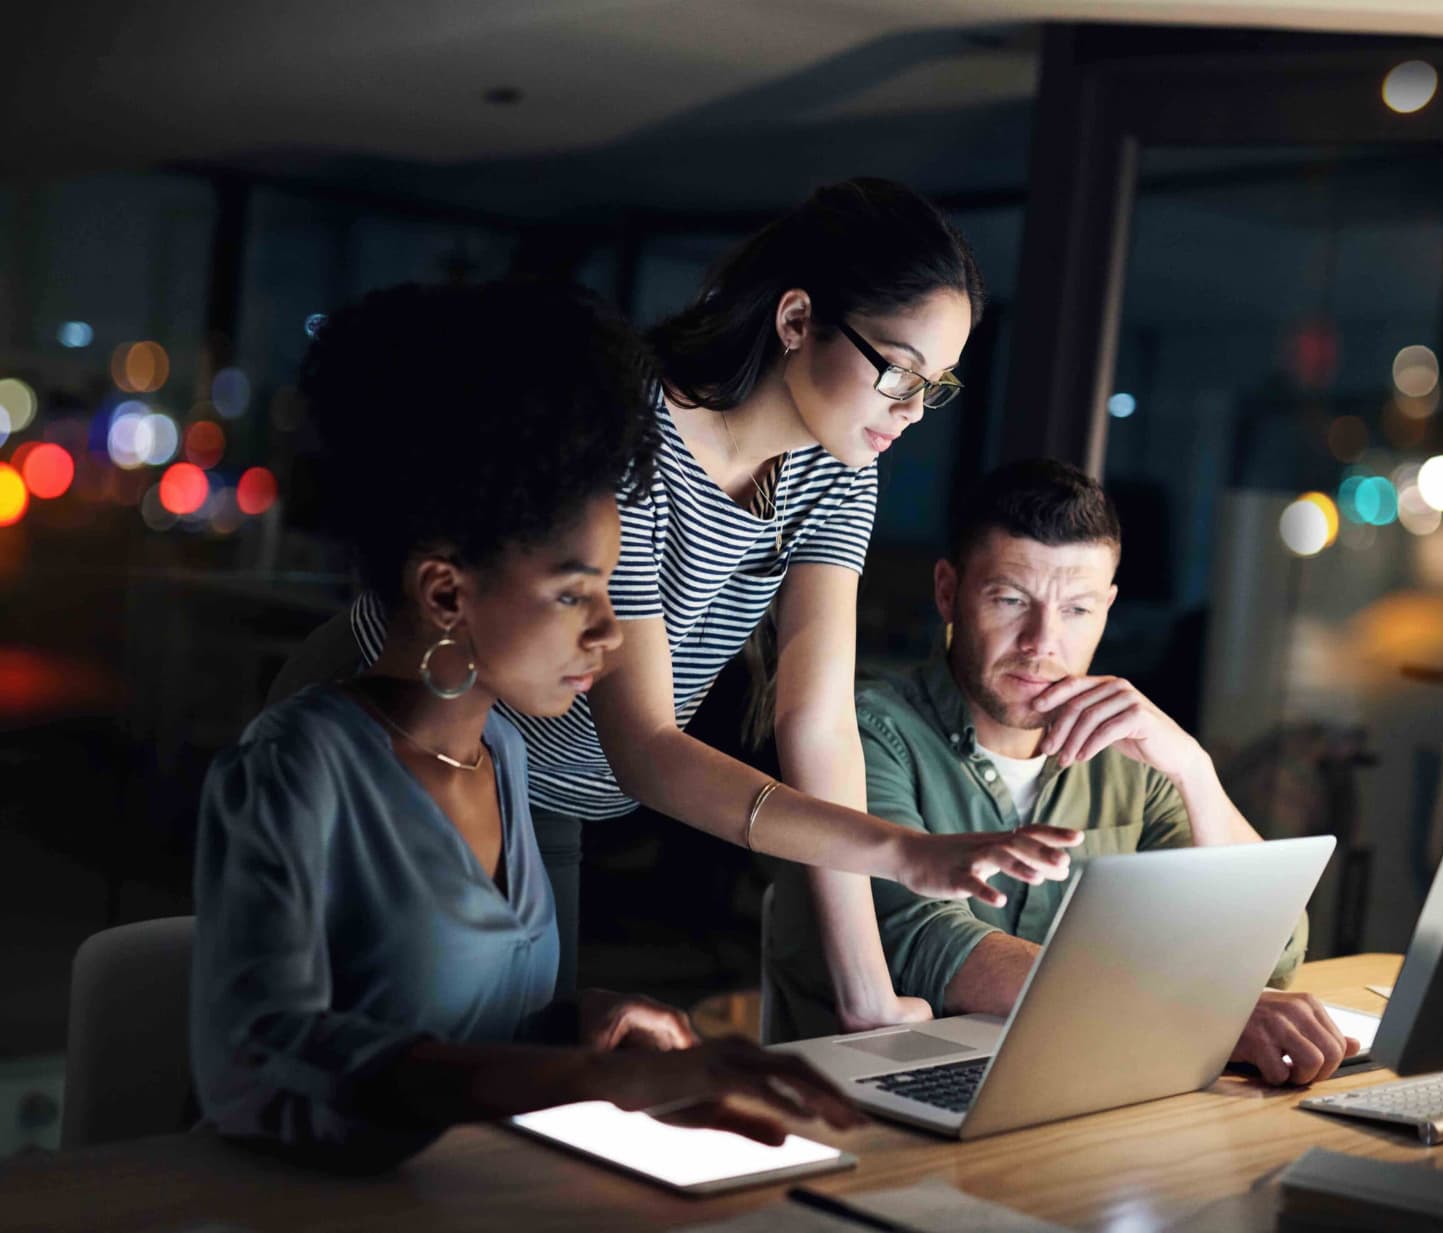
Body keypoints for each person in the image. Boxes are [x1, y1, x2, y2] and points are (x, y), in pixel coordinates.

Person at [338, 180, 1078, 1029]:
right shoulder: (629, 431)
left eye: (935, 385)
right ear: (797, 319)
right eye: (899, 371)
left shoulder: (840, 472)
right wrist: (901, 850)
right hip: (417, 728)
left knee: (518, 1058)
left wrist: (865, 989)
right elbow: (646, 745)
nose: (912, 411)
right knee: (389, 1050)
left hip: (555, 788)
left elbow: (819, 723)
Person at [190, 281, 863, 1171]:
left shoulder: (501, 753)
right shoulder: (295, 769)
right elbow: (261, 1064)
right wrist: (590, 1082)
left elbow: (463, 1022)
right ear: (445, 592)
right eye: (572, 593)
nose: (610, 630)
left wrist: (587, 1026)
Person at [767, 459, 1358, 1086]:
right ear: (949, 591)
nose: (1041, 641)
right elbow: (921, 943)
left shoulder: (1132, 753)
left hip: (1069, 1088)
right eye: (1011, 599)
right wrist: (1189, 1008)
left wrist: (1194, 769)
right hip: (865, 1104)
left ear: (1107, 608)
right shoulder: (865, 733)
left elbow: (1275, 950)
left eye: (1076, 610)